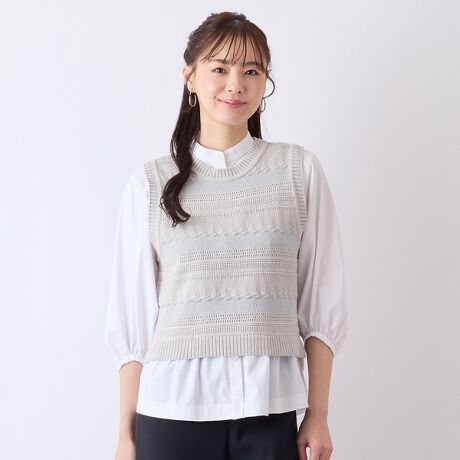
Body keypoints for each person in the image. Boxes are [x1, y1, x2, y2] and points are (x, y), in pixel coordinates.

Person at [105, 11, 347, 460]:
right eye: (220, 68)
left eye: (251, 71)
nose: (235, 84)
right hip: (170, 413)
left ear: (265, 81)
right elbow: (132, 323)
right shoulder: (150, 185)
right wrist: (125, 435)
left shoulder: (299, 172)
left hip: (270, 413)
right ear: (190, 78)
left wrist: (318, 414)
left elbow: (321, 306)